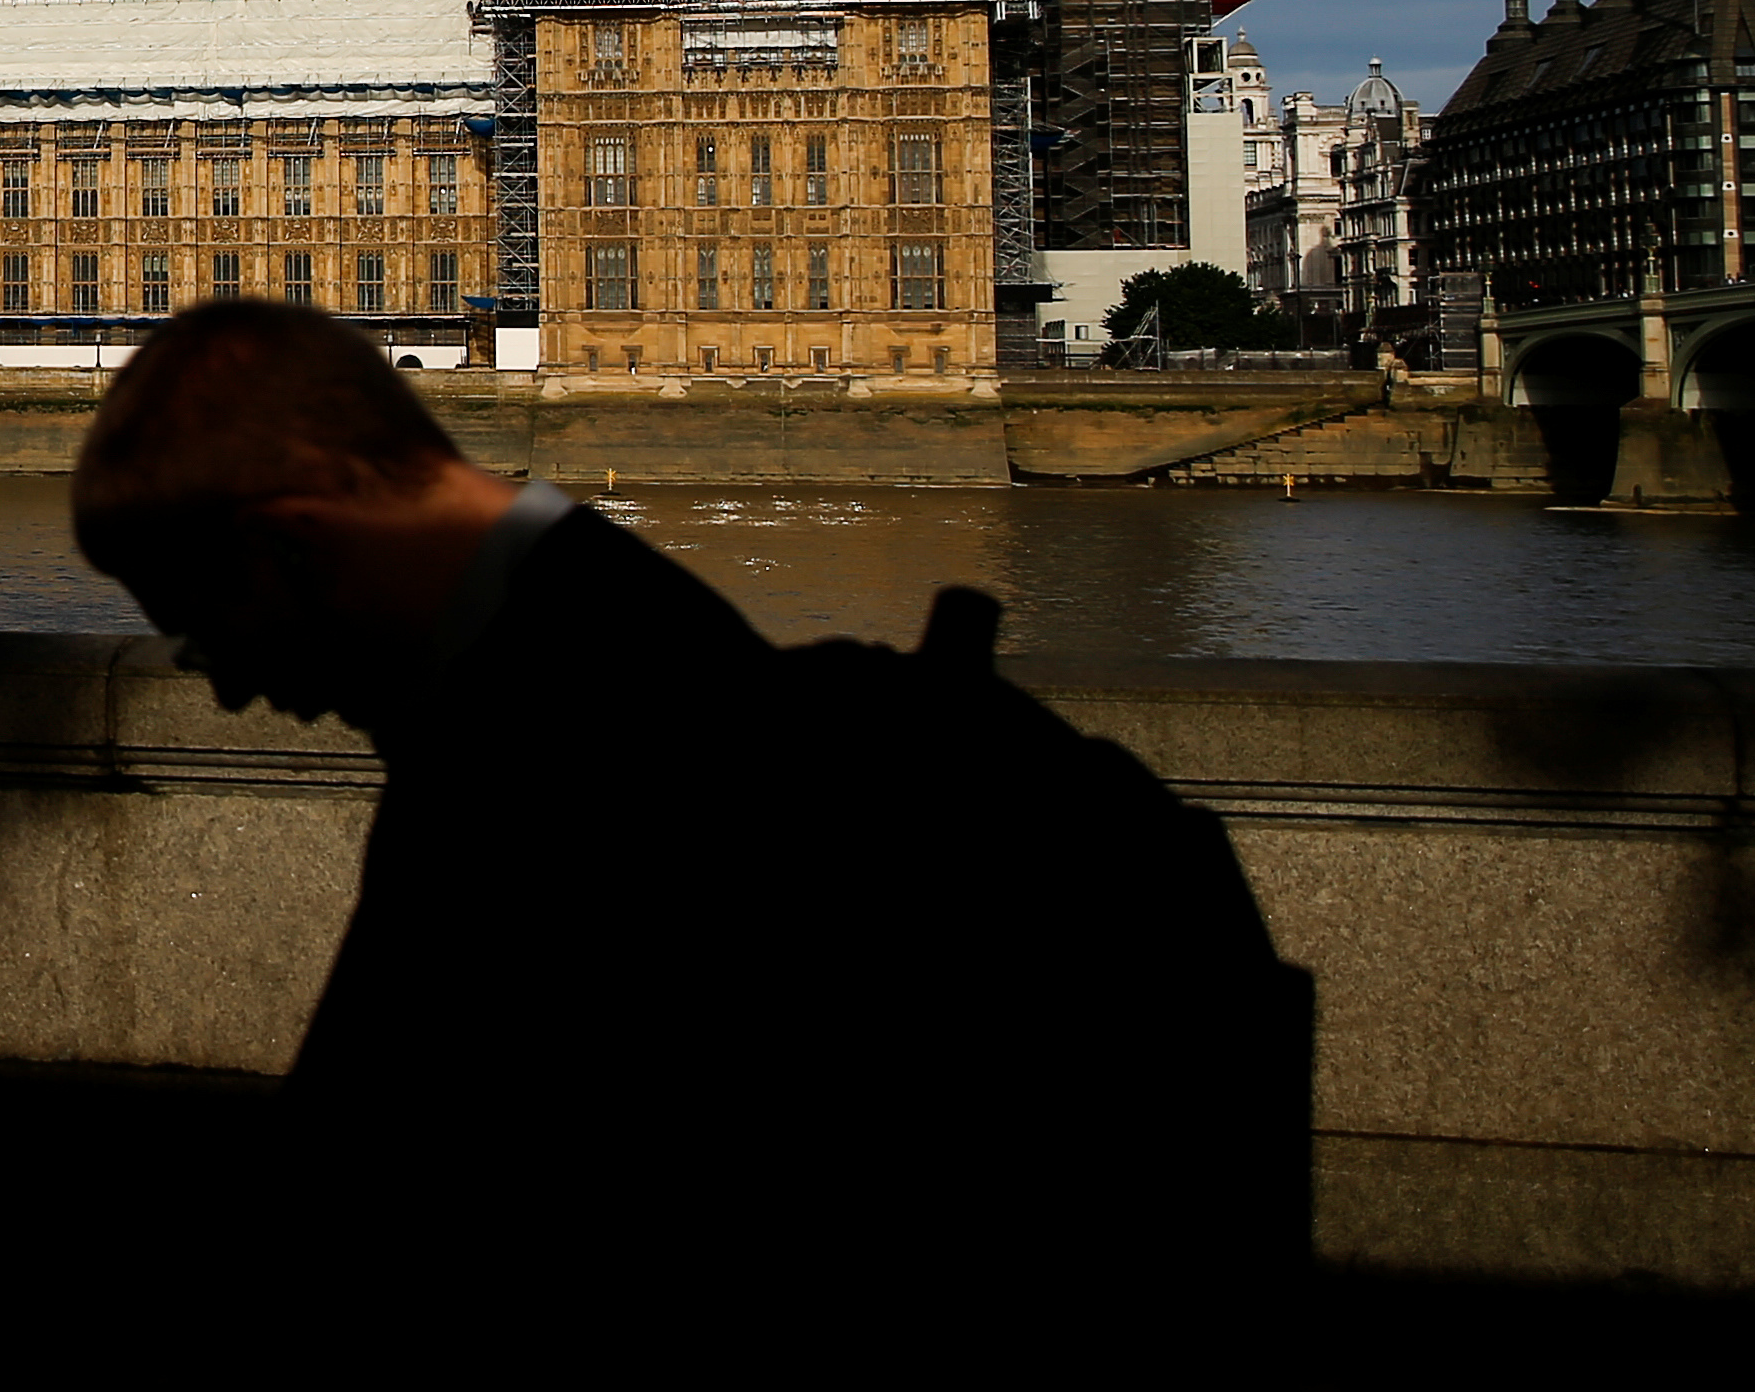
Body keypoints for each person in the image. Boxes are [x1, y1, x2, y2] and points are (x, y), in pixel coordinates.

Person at [69, 297, 1307, 1307]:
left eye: (203, 626)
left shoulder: (565, 758)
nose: (226, 689)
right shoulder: (608, 657)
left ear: (293, 540)